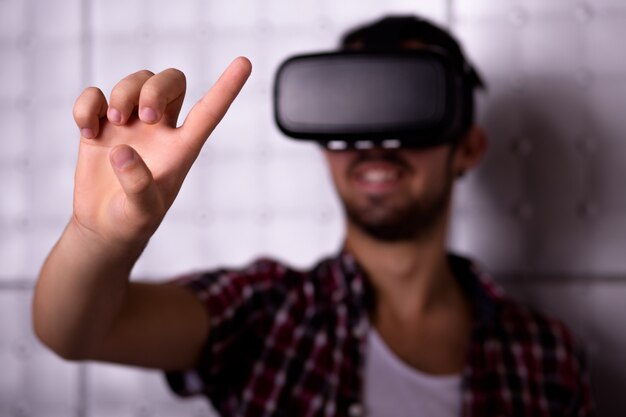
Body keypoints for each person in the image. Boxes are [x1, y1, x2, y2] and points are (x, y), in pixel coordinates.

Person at [33, 15, 594, 417]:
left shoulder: (546, 356)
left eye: (409, 104)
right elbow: (76, 334)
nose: (374, 142)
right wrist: (96, 237)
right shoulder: (267, 313)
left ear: (468, 147)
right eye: (351, 111)